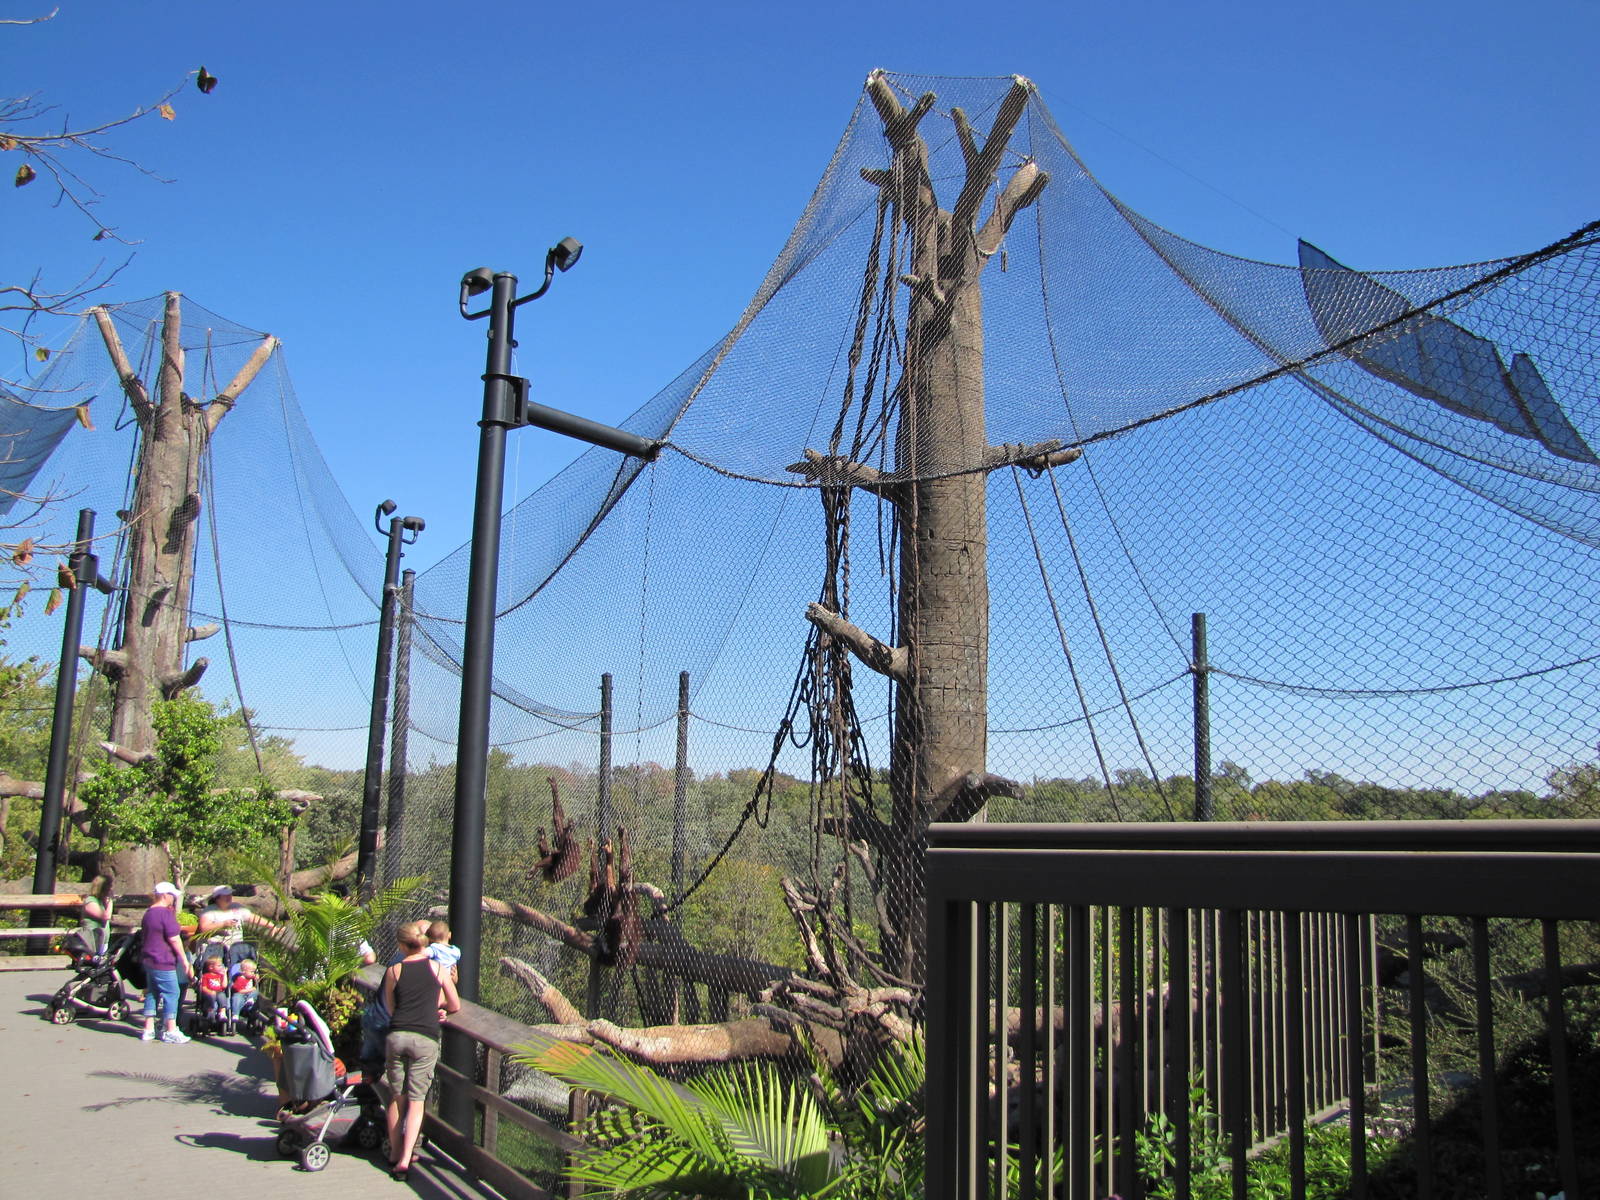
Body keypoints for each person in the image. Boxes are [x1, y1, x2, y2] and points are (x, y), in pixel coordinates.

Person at [382, 919, 460, 1180]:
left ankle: (393, 1150)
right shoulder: (437, 968)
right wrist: (438, 1010)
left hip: (397, 1034)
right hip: (425, 1036)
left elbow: (390, 1006)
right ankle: (405, 1160)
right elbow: (454, 1004)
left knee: (396, 1096)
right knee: (416, 1101)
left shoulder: (394, 971)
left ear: (402, 946)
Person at [139, 882, 194, 1043]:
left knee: (153, 991)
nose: (174, 898)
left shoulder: (149, 913)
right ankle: (171, 1028)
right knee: (172, 993)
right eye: (172, 895)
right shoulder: (165, 914)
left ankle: (148, 1028)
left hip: (149, 959)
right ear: (165, 895)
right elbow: (174, 939)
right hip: (163, 959)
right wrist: (184, 961)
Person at [193, 885, 272, 967]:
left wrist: (272, 926)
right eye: (225, 895)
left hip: (235, 951)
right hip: (215, 952)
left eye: (230, 895)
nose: (229, 897)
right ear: (217, 898)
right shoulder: (209, 911)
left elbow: (253, 918)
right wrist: (223, 924)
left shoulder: (237, 907)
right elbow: (204, 928)